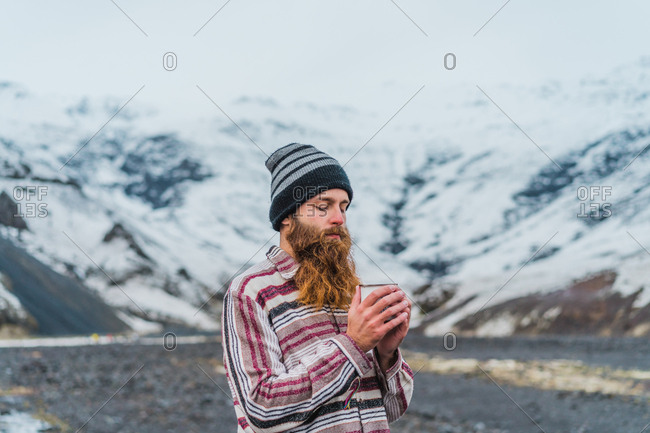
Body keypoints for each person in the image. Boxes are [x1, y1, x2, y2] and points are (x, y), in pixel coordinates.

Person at [222, 143, 414, 432]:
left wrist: (386, 354)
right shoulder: (250, 291)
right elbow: (260, 407)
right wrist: (353, 345)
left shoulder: (348, 290)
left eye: (343, 207)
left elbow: (392, 410)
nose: (339, 218)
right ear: (287, 215)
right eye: (323, 206)